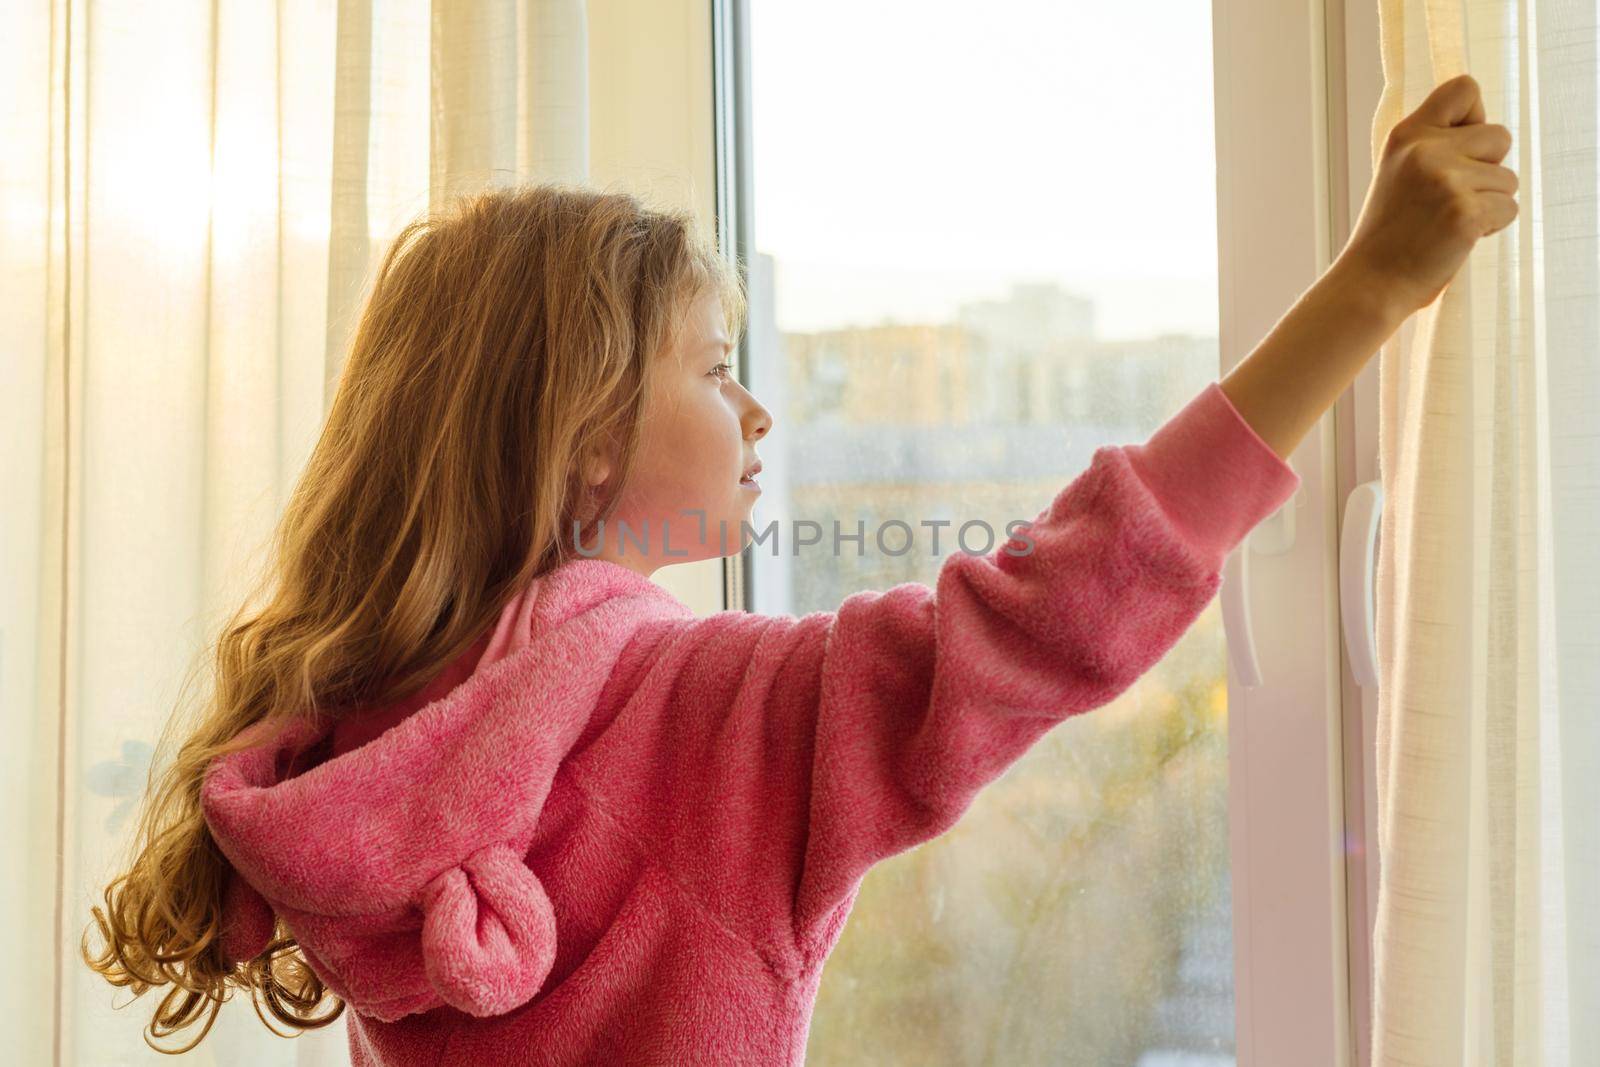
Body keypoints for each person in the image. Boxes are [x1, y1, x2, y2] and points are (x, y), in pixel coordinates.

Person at [82, 72, 1516, 1065]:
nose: (758, 413)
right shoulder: (702, 718)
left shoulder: (366, 731)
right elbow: (1047, 614)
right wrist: (1370, 289)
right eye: (717, 370)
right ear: (583, 441)